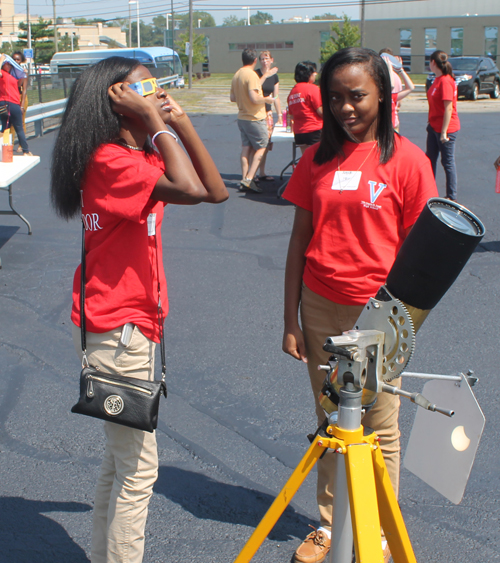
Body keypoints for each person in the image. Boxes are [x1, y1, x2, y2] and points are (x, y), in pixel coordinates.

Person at [50, 56, 228, 563]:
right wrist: (156, 124)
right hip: (118, 328)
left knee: (121, 457)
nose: (154, 92)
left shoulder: (137, 156)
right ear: (117, 101)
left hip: (131, 324)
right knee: (139, 468)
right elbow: (193, 189)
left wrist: (180, 123)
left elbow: (213, 191)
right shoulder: (110, 161)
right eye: (143, 88)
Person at [281, 47, 438, 563]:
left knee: (379, 424)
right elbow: (299, 242)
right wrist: (290, 320)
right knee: (332, 421)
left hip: (379, 315)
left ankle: (378, 529)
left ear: (382, 94)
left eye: (357, 96)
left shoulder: (409, 162)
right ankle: (330, 524)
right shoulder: (316, 159)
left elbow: (421, 256)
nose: (346, 108)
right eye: (335, 99)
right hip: (320, 306)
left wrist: (401, 325)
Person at [230, 48, 275, 193]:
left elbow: (232, 98)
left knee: (246, 148)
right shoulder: (252, 75)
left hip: (242, 117)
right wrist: (266, 99)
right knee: (262, 146)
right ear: (255, 60)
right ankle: (249, 178)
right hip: (254, 117)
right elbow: (254, 98)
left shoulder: (237, 75)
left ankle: (244, 178)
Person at [426, 49, 460, 201]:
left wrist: (444, 132)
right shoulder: (437, 80)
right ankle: (428, 191)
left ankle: (451, 196)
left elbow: (448, 107)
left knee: (447, 162)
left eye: (429, 62)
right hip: (434, 126)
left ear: (433, 63)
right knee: (429, 159)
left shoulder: (445, 81)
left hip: (445, 128)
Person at [255, 50, 282, 182]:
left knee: (266, 143)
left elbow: (276, 97)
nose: (264, 61)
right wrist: (266, 74)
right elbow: (255, 87)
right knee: (256, 143)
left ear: (272, 60)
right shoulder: (256, 74)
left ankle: (262, 172)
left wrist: (280, 115)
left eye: (266, 58)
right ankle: (251, 173)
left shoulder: (275, 76)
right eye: (262, 59)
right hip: (256, 112)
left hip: (268, 113)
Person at [287, 61, 323, 155]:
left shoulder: (293, 92)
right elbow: (321, 111)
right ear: (309, 74)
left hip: (299, 132)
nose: (316, 74)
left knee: (307, 159)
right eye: (314, 72)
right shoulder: (312, 89)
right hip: (314, 129)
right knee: (318, 159)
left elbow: (291, 114)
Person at [0, 54, 31, 155]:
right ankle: (6, 150)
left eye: (10, 65)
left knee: (17, 127)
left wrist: (23, 75)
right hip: (5, 103)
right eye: (6, 64)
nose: (8, 66)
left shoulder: (12, 76)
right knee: (6, 127)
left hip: (15, 103)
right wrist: (1, 60)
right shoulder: (1, 73)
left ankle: (25, 150)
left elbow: (18, 85)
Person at [380, 52, 415, 130]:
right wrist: (389, 68)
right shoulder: (381, 97)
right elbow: (391, 86)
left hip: (394, 127)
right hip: (384, 130)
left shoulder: (392, 97)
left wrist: (401, 70)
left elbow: (411, 87)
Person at [11, 51, 28, 152]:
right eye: (14, 59)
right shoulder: (9, 71)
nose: (16, 61)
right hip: (12, 98)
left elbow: (24, 89)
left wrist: (22, 105)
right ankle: (10, 143)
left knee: (21, 122)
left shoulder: (23, 71)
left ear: (21, 60)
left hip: (21, 97)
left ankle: (22, 144)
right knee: (11, 123)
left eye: (18, 59)